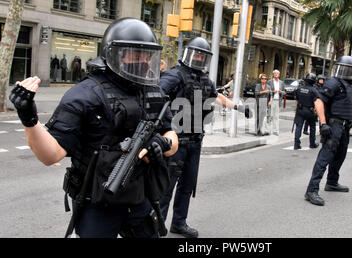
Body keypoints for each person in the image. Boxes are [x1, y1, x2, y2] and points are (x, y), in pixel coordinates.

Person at [8, 18, 179, 238]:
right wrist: (29, 119)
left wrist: (163, 143)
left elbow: (172, 136)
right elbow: (51, 155)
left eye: (147, 55)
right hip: (96, 203)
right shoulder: (85, 94)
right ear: (114, 54)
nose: (143, 61)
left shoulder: (152, 91)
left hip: (140, 197)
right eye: (135, 54)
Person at [158, 37, 251, 238]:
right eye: (196, 53)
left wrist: (238, 107)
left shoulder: (205, 80)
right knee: (167, 186)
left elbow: (216, 96)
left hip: (195, 141)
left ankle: (179, 223)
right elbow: (155, 95)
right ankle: (157, 226)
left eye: (202, 55)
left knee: (188, 184)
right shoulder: (175, 75)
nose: (199, 57)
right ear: (188, 53)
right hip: (175, 142)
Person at [304, 56, 352, 206]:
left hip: (344, 126)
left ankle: (332, 182)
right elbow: (318, 100)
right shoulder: (333, 82)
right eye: (345, 68)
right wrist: (323, 123)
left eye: (350, 69)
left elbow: (351, 103)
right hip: (333, 125)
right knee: (325, 157)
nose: (347, 71)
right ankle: (311, 190)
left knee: (340, 155)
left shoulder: (348, 84)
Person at [293, 73, 319, 150]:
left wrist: (298, 108)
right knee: (312, 127)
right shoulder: (314, 90)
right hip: (310, 111)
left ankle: (296, 144)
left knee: (298, 127)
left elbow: (296, 100)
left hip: (300, 110)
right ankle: (312, 144)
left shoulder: (299, 88)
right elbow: (317, 102)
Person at [267, 69, 285, 135]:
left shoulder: (281, 82)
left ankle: (275, 131)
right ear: (273, 74)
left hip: (278, 101)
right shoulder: (269, 82)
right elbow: (267, 90)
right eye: (275, 73)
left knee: (276, 116)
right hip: (272, 100)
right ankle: (268, 130)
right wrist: (272, 91)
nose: (276, 74)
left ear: (279, 75)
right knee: (270, 115)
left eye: (277, 73)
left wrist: (281, 92)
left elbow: (284, 92)